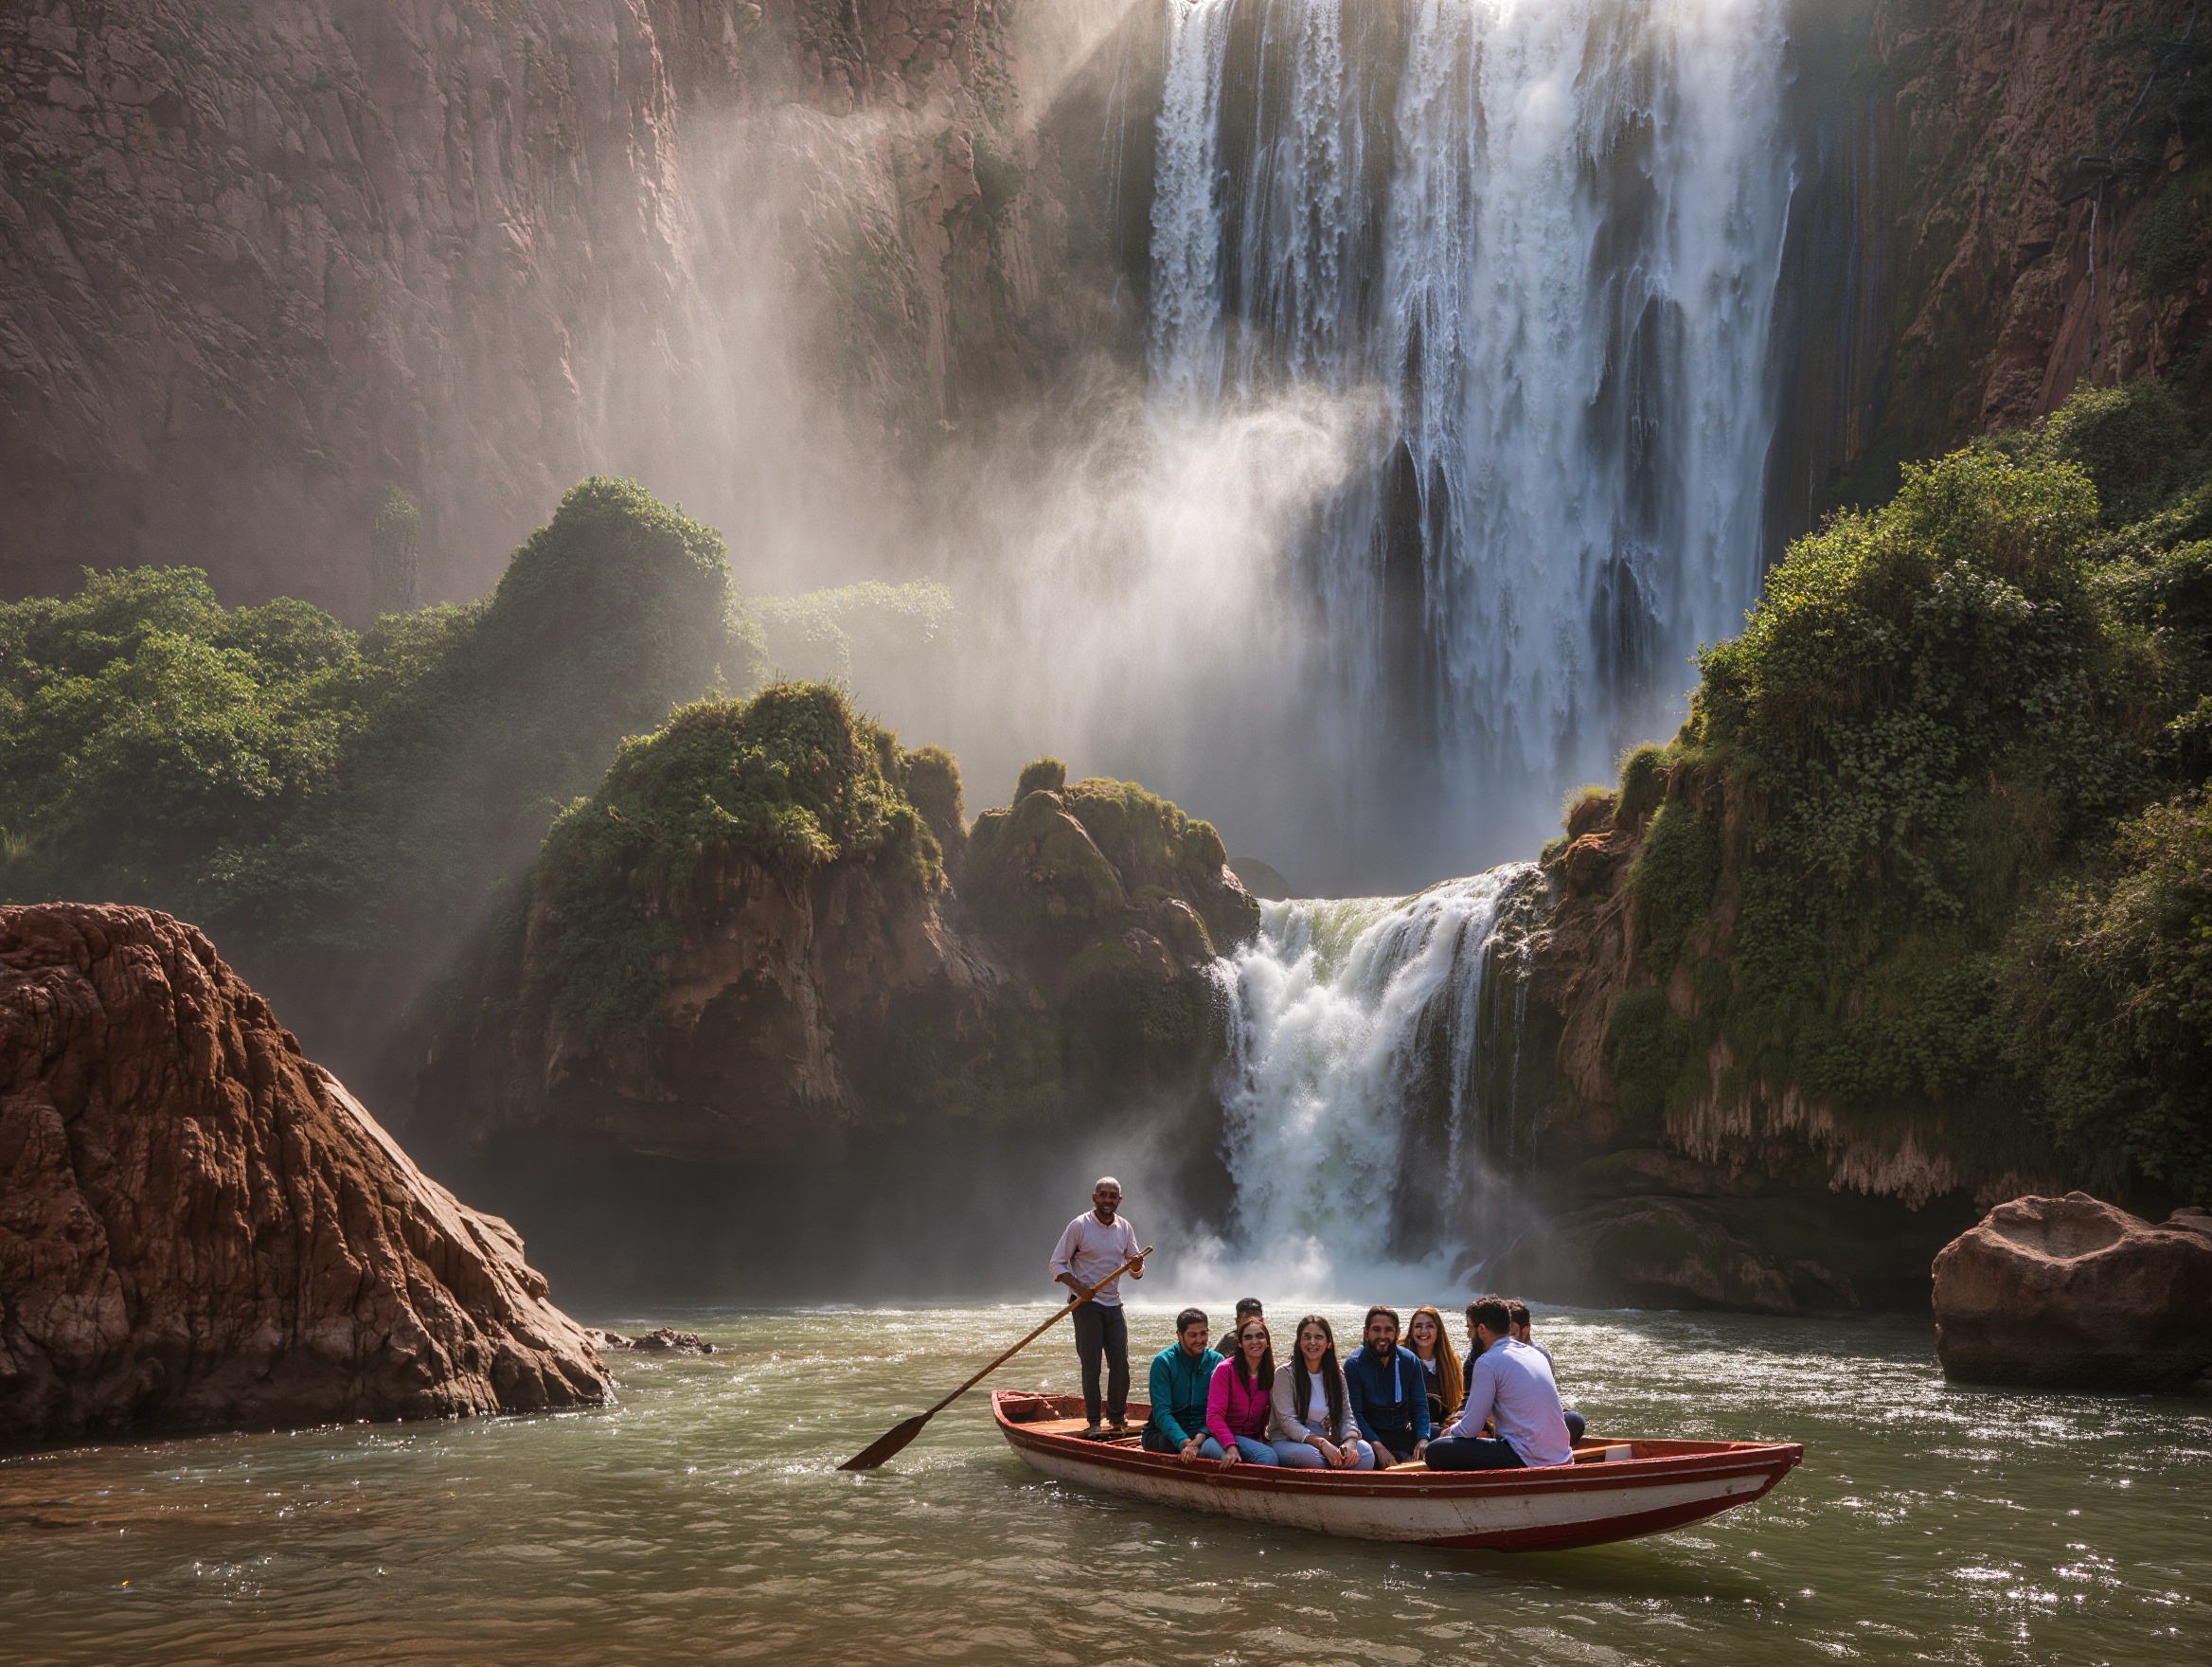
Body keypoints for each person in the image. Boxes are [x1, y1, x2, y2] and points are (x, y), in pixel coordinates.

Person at [1425, 1296, 1573, 1471]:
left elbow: (1470, 1429)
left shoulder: (1488, 1361)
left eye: (1469, 1328)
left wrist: (1447, 1433)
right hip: (1562, 1456)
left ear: (1482, 1329)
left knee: (1435, 1450)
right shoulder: (1535, 1354)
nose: (1468, 1335)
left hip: (1526, 1458)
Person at [1048, 1176, 1146, 1439]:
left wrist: (1136, 1265)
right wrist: (1079, 1288)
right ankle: (1094, 1421)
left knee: (1121, 1365)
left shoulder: (1125, 1228)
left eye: (1112, 1196)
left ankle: (1116, 1417)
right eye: (1102, 1195)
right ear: (1094, 1198)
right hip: (1086, 1305)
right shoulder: (1079, 1226)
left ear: (1119, 1200)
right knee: (1092, 1366)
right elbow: (1057, 1264)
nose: (1107, 1200)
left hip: (1113, 1305)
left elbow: (1136, 1270)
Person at [1268, 1315, 1376, 1470]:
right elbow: (1287, 1421)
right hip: (1289, 1442)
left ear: (1328, 1343)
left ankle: (1344, 1492)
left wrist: (1350, 1440)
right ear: (1299, 1343)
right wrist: (1321, 1443)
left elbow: (1347, 1414)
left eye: (1319, 1337)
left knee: (1365, 1454)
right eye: (1307, 1337)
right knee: (1317, 1460)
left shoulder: (1337, 1374)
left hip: (1329, 1439)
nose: (1312, 1342)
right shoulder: (1284, 1374)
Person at [1344, 1305, 1430, 1467]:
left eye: (1388, 1330)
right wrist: (1377, 1445)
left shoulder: (1410, 1361)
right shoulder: (1354, 1365)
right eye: (1376, 1329)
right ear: (1366, 1333)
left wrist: (1423, 1438)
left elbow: (1419, 1406)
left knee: (1443, 1444)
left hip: (1402, 1432)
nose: (1382, 1336)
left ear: (1397, 1333)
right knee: (1365, 1455)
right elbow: (1355, 1415)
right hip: (1368, 1434)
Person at [1144, 1308, 1224, 1461]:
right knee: (1170, 1445)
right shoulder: (1163, 1362)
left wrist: (1202, 1435)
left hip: (1204, 1432)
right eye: (1192, 1335)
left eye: (1203, 1333)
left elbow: (1220, 1408)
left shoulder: (1217, 1361)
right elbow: (1162, 1413)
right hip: (1165, 1433)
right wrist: (1185, 1443)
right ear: (1179, 1335)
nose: (1199, 1340)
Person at [1204, 1317, 1282, 1466]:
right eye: (1248, 1337)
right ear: (1239, 1344)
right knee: (1267, 1457)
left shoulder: (1271, 1372)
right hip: (1218, 1439)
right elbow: (1214, 1416)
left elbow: (1269, 1413)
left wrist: (1261, 1437)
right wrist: (1231, 1447)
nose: (1255, 1341)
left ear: (1267, 1342)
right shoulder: (1225, 1370)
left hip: (1251, 1439)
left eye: (1260, 1336)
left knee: (1270, 1454)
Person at [1507, 1298, 1585, 1445]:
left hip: (1536, 1419)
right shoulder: (1500, 1354)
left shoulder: (1540, 1355)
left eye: (1512, 1330)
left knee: (1574, 1420)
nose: (1508, 1337)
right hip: (1515, 1421)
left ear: (1527, 1329)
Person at [1405, 1305, 1464, 1432]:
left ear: (1438, 1332)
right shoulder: (1402, 1359)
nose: (1423, 1331)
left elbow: (1453, 1404)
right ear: (1411, 1331)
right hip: (1410, 1426)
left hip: (1441, 1427)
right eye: (1418, 1326)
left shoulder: (1450, 1362)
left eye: (1429, 1326)